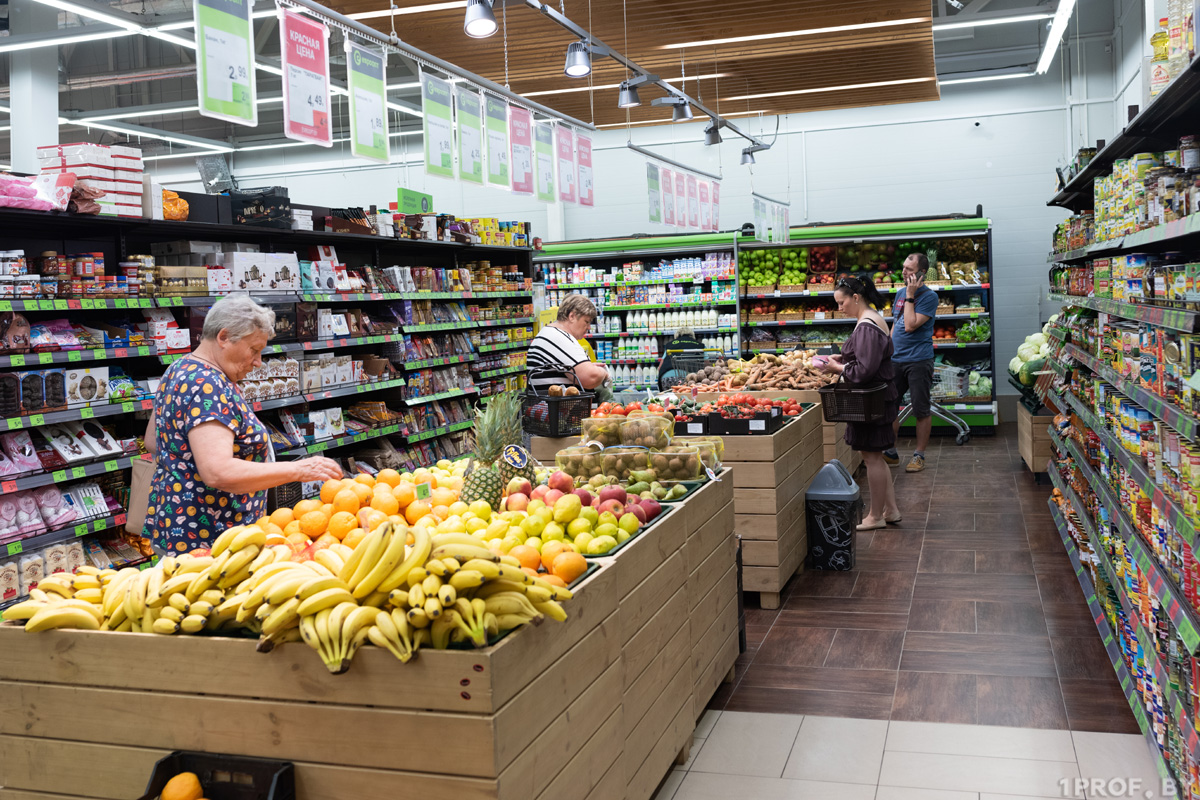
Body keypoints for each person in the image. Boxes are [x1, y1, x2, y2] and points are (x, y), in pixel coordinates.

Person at [143, 295, 342, 553]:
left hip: (177, 526)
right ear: (224, 337)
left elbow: (152, 440)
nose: (258, 362)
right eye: (254, 350)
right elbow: (218, 472)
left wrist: (186, 470)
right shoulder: (208, 385)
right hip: (210, 540)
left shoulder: (179, 368)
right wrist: (299, 470)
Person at [818, 275, 901, 531]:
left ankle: (875, 516)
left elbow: (864, 369)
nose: (839, 308)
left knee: (872, 458)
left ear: (855, 298)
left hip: (871, 399)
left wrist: (838, 368)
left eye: (841, 302)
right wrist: (842, 357)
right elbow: (868, 356)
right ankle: (890, 509)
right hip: (879, 396)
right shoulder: (872, 318)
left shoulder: (865, 325)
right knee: (876, 454)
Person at [884, 253, 938, 473]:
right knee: (889, 406)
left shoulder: (928, 297)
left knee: (921, 409)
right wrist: (886, 348)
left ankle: (919, 455)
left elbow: (910, 324)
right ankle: (890, 452)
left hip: (918, 360)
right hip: (896, 360)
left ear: (922, 273)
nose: (904, 272)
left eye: (910, 270)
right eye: (904, 268)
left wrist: (910, 295)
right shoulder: (899, 293)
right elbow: (896, 324)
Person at [526, 293, 612, 395]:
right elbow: (590, 378)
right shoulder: (558, 337)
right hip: (556, 409)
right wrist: (603, 372)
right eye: (586, 322)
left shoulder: (549, 333)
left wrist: (587, 367)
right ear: (572, 316)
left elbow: (568, 369)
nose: (589, 328)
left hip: (548, 407)